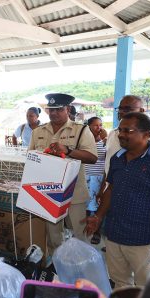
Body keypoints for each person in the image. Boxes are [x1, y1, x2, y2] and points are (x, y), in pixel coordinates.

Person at [84, 112, 150, 288]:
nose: (121, 134)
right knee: (121, 284)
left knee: (147, 288)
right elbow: (111, 189)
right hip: (114, 234)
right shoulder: (117, 158)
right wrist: (97, 217)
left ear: (147, 134)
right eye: (120, 130)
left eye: (128, 130)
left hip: (144, 239)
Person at [29, 93, 97, 256]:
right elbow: (31, 158)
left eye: (58, 109)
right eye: (50, 109)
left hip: (74, 192)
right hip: (48, 192)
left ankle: (83, 266)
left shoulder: (81, 130)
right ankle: (58, 267)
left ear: (68, 109)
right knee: (53, 236)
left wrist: (68, 150)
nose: (53, 113)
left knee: (80, 234)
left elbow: (92, 158)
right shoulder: (38, 131)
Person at [84, 117, 106, 245]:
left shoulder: (105, 141)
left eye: (100, 125)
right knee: (86, 206)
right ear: (89, 126)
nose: (99, 128)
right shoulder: (84, 141)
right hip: (86, 176)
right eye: (96, 125)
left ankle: (97, 233)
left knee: (99, 206)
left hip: (99, 178)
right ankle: (88, 229)